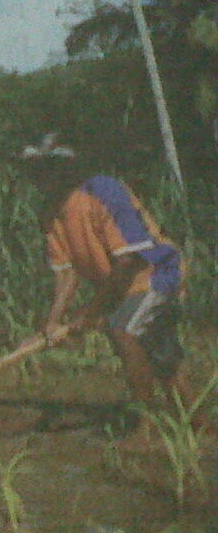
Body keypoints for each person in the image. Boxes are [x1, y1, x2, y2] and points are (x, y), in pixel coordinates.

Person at [21, 133, 198, 448]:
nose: (39, 178)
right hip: (124, 285)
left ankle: (146, 426)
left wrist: (91, 313)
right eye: (34, 171)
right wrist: (53, 321)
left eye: (46, 169)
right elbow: (67, 276)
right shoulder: (51, 216)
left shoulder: (103, 191)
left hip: (157, 273)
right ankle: (201, 425)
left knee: (123, 331)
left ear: (65, 169)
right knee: (163, 358)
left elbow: (128, 261)